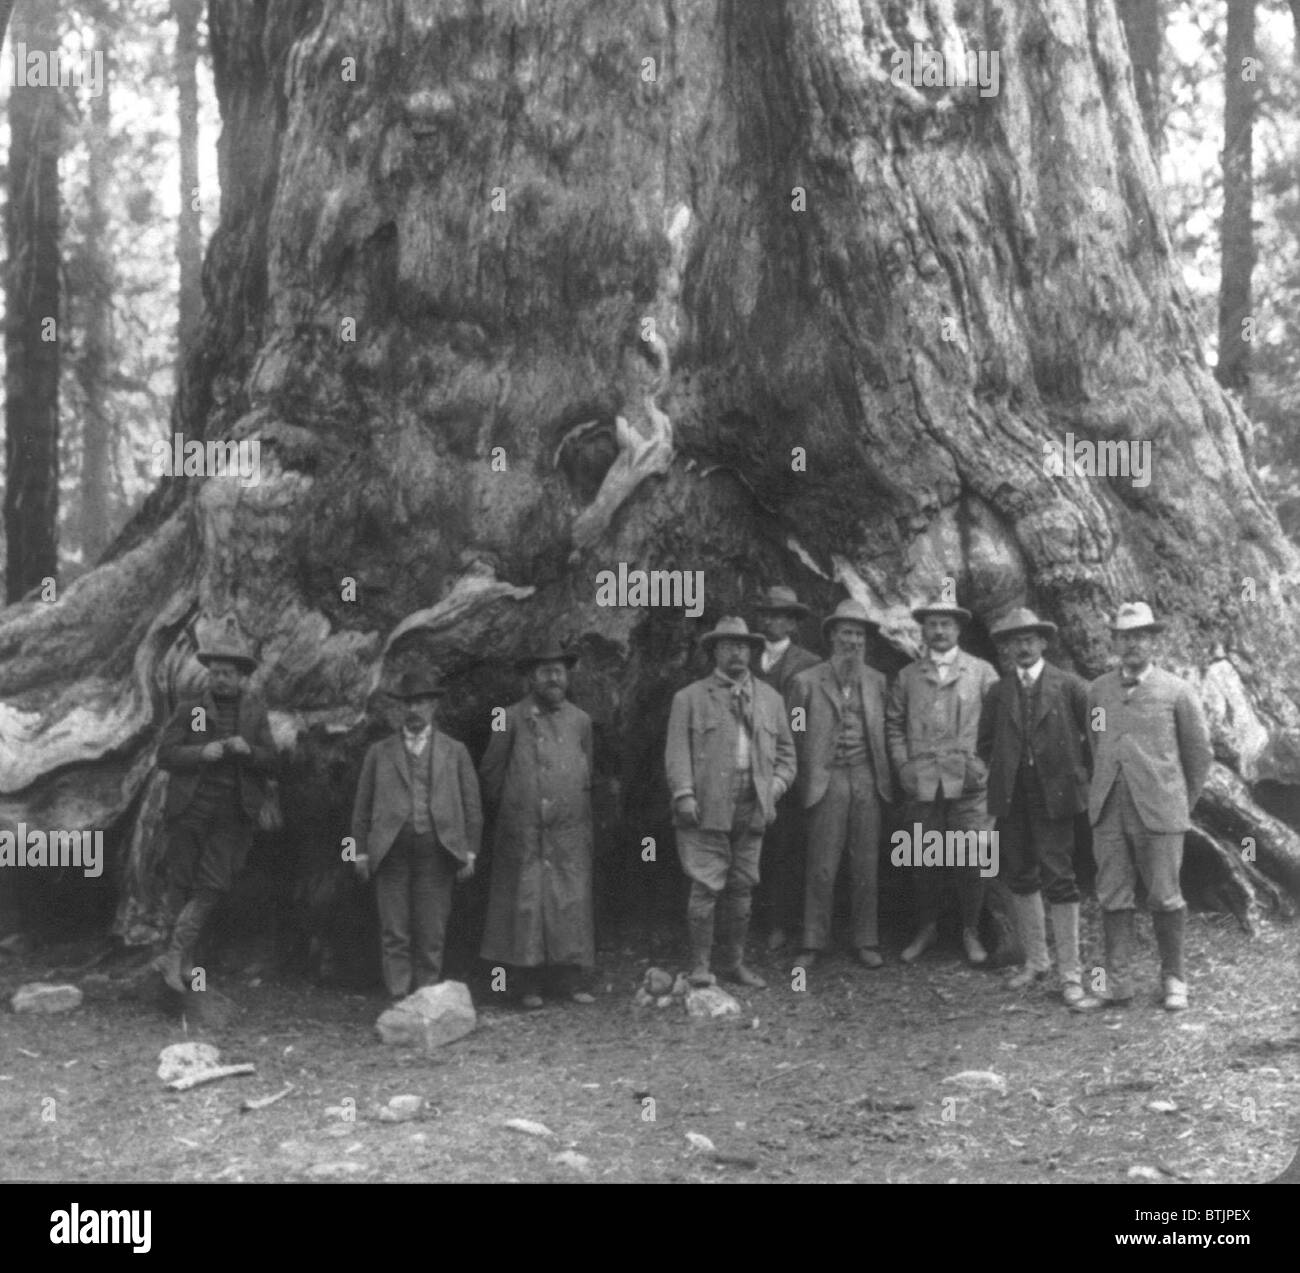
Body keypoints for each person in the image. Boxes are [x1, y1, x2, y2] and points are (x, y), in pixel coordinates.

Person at [1073, 603, 1212, 1013]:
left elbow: (1199, 755)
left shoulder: (1177, 691)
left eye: (1140, 636)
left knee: (1165, 897)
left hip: (1161, 810)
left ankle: (1174, 980)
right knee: (1112, 896)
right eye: (1123, 636)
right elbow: (1095, 743)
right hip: (1109, 809)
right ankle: (1116, 984)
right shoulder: (1097, 691)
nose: (1132, 644)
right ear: (1113, 641)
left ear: (1153, 641)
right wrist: (1106, 787)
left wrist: (1179, 802)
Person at [665, 617, 796, 989]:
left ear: (752, 651)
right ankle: (701, 966)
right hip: (705, 808)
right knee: (705, 887)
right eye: (727, 646)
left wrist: (773, 791)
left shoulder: (771, 700)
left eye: (742, 646)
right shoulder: (688, 699)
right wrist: (684, 795)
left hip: (753, 808)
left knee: (742, 887)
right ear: (714, 652)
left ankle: (735, 963)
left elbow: (787, 756)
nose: (736, 652)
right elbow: (676, 755)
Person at [154, 615, 277, 992]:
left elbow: (273, 761)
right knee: (183, 882)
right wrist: (200, 753)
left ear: (242, 678)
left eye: (228, 673)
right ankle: (184, 961)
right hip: (191, 808)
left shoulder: (254, 713)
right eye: (215, 673)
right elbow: (166, 754)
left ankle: (175, 955)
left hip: (233, 813)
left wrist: (249, 750)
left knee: (211, 885)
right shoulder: (191, 708)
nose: (220, 679)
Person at [977, 608, 1090, 1004]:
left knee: (1059, 876)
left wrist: (1074, 780)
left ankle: (1071, 972)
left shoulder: (1070, 687)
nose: (1022, 648)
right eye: (1013, 641)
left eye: (1029, 639)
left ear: (1043, 642)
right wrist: (1010, 769)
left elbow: (1093, 743)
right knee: (1020, 874)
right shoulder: (998, 691)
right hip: (1012, 796)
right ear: (1006, 649)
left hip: (1055, 795)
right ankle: (1036, 961)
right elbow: (986, 744)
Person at [350, 670, 482, 999]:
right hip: (390, 852)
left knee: (432, 929)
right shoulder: (379, 752)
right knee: (394, 929)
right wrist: (360, 852)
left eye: (422, 702)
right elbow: (361, 808)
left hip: (438, 851)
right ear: (398, 709)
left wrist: (470, 851)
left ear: (434, 706)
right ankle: (398, 996)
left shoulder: (455, 751)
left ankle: (426, 999)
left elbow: (472, 806)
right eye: (408, 703)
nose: (415, 709)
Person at [479, 643, 597, 1010]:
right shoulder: (507, 716)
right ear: (531, 677)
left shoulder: (581, 720)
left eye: (559, 671)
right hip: (524, 833)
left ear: (567, 676)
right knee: (525, 904)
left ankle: (570, 980)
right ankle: (525, 983)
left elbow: (586, 771)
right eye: (545, 671)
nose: (552, 678)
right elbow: (491, 773)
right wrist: (519, 808)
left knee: (570, 902)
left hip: (568, 833)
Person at [886, 593, 999, 964]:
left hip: (968, 783)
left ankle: (970, 931)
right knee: (922, 858)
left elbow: (998, 725)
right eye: (932, 624)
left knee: (971, 856)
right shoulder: (907, 677)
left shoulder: (981, 672)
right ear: (923, 630)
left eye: (945, 624)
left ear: (959, 628)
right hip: (922, 781)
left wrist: (982, 765)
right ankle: (927, 928)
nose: (938, 630)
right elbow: (893, 726)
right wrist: (903, 766)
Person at [787, 600, 895, 970]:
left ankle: (866, 940)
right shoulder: (805, 682)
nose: (853, 641)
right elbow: (795, 731)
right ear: (832, 636)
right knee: (822, 863)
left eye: (860, 634)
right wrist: (808, 774)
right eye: (846, 633)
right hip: (827, 776)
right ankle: (813, 941)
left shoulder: (878, 681)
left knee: (866, 861)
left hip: (867, 774)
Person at [752, 586, 820, 952]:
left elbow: (807, 721)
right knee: (750, 841)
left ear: (793, 622)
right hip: (747, 762)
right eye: (765, 614)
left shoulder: (807, 663)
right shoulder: (747, 658)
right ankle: (750, 919)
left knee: (785, 846)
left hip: (789, 764)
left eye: (778, 615)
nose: (770, 621)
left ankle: (781, 922)